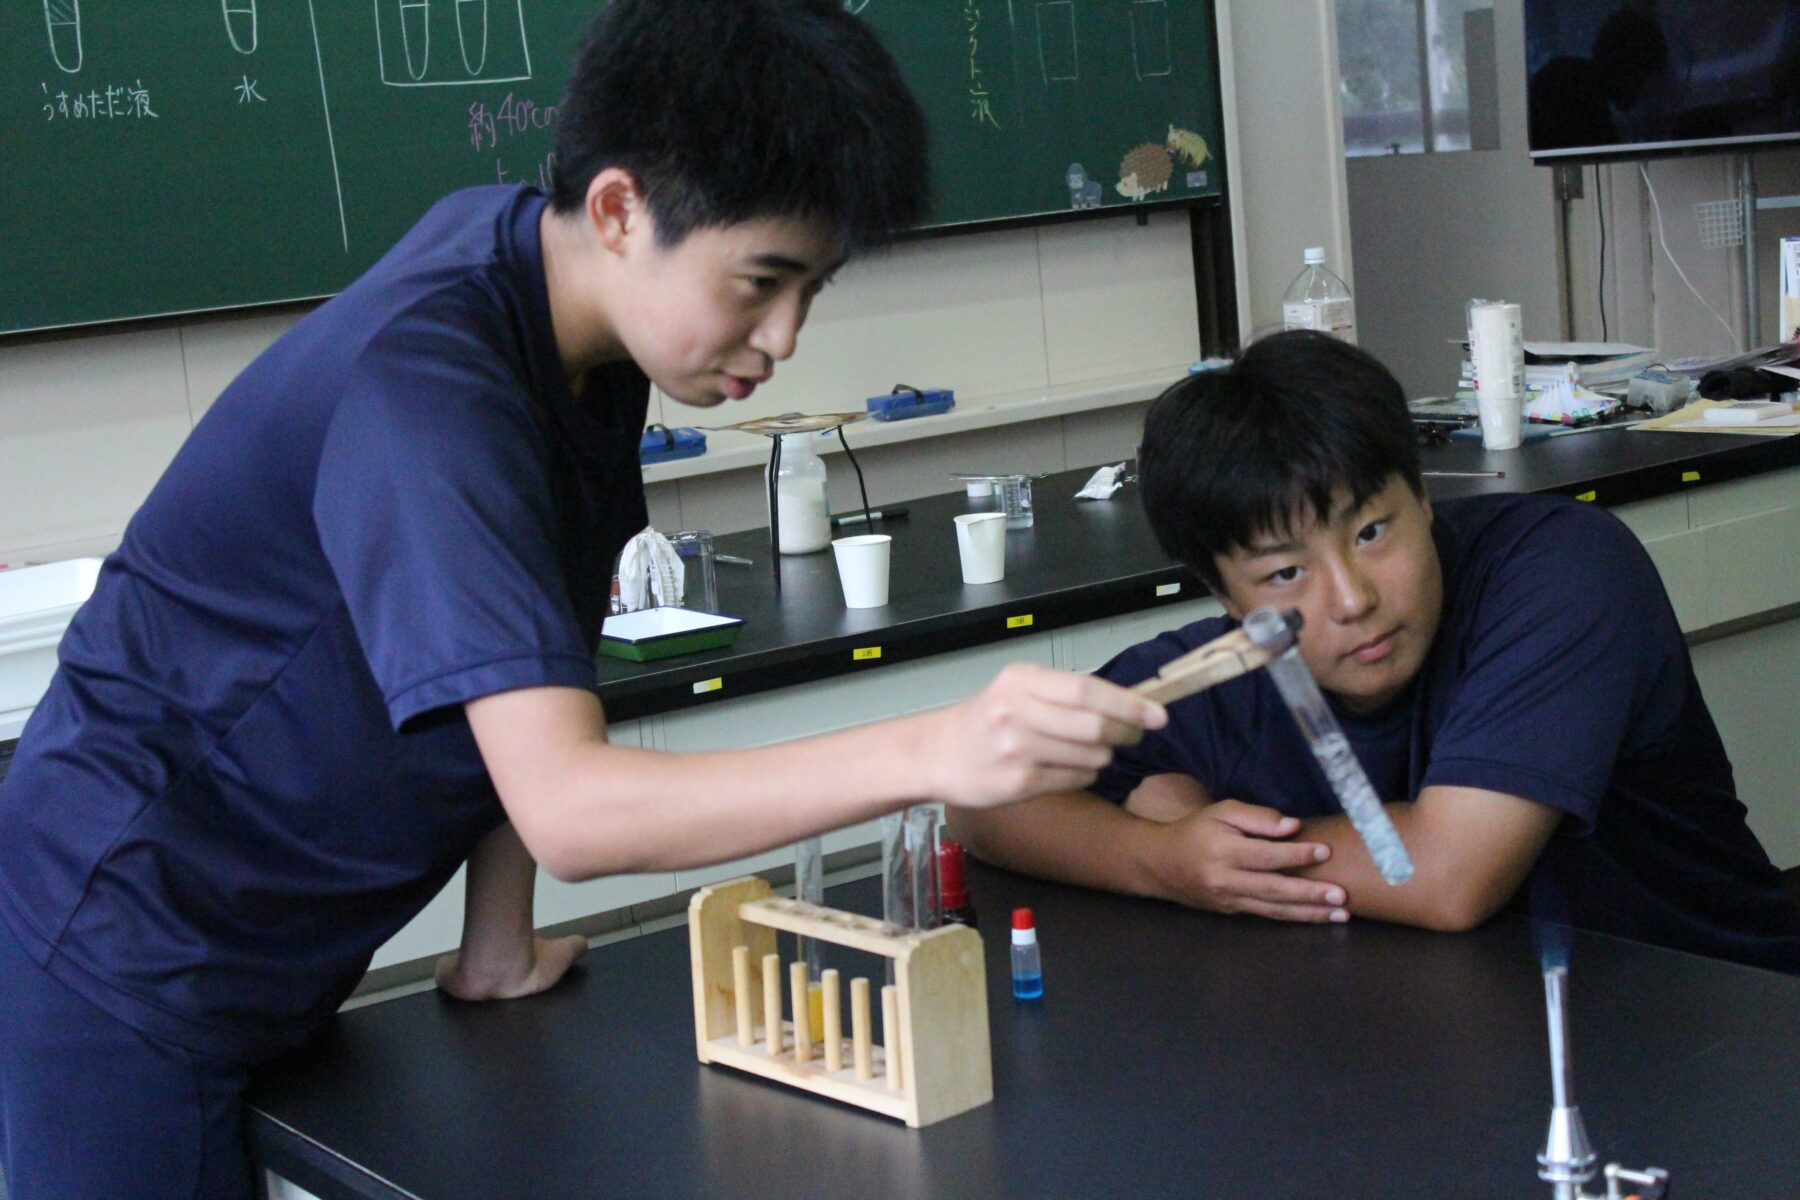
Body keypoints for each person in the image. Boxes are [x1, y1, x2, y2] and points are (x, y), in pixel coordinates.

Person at [0, 3, 1165, 1196]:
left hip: (256, 942)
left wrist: (495, 940)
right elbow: (572, 807)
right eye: (760, 282)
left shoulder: (563, 315)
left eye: (811, 289)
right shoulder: (430, 394)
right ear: (618, 209)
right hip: (117, 956)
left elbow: (540, 657)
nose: (784, 337)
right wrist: (938, 746)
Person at [950, 330, 1800, 975]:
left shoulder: (1562, 572)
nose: (1351, 597)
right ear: (1225, 596)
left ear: (1425, 498)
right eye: (1285, 571)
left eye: (1371, 529)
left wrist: (1217, 849)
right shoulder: (1222, 669)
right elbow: (983, 805)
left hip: (1711, 1019)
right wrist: (1164, 858)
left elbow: (1445, 873)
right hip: (1431, 1054)